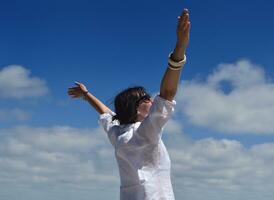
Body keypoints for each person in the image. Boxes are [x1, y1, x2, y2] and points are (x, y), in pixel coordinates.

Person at [68, 8, 190, 200]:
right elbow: (167, 93)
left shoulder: (117, 133)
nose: (151, 99)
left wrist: (86, 94)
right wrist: (180, 47)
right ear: (135, 108)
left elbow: (106, 113)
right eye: (146, 98)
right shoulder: (146, 131)